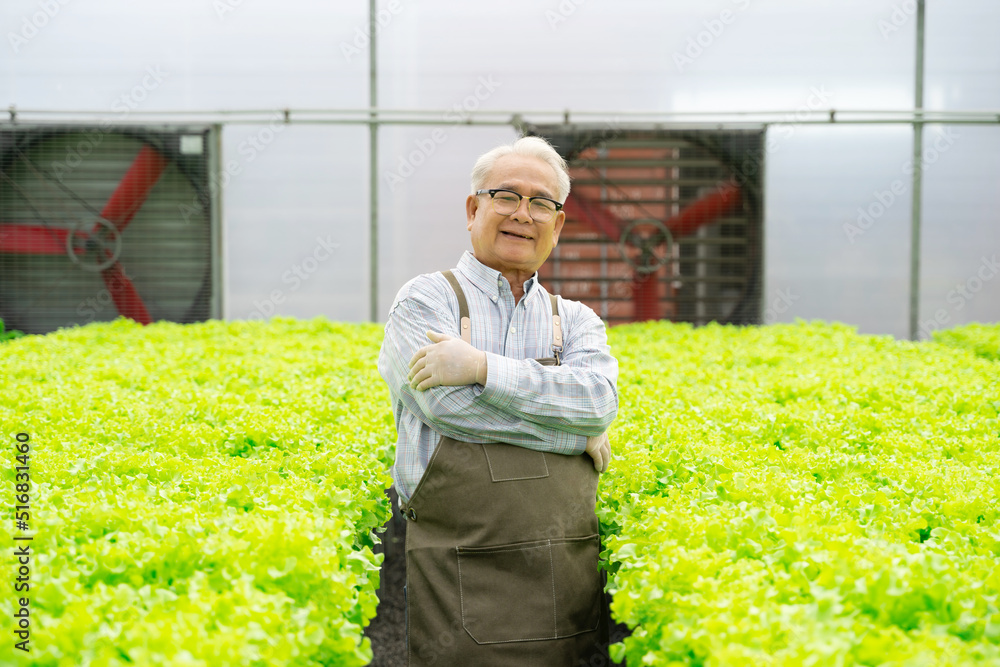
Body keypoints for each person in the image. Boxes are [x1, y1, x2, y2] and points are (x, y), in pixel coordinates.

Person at [377, 135, 619, 666]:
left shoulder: (575, 319)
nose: (522, 214)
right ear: (473, 208)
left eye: (541, 203)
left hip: (562, 577)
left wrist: (481, 368)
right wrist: (572, 433)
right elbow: (447, 409)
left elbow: (598, 401)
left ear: (557, 225)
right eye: (506, 196)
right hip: (456, 574)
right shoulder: (425, 299)